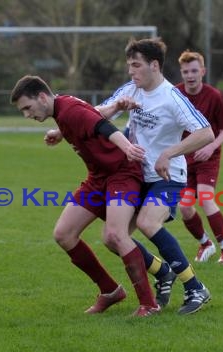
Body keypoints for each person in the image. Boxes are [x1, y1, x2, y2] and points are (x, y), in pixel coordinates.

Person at [9, 75, 160, 317]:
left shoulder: (69, 110)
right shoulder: (63, 111)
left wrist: (127, 148)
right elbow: (95, 114)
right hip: (98, 178)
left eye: (27, 108)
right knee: (64, 234)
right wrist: (60, 132)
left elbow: (104, 127)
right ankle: (110, 291)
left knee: (115, 235)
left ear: (42, 97)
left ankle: (149, 304)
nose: (27, 115)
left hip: (122, 174)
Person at [97, 38, 215, 314]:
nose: (131, 71)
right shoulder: (131, 90)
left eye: (136, 65)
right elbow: (96, 114)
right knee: (112, 237)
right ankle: (162, 272)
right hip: (137, 176)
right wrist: (115, 109)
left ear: (154, 65)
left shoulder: (172, 98)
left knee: (148, 222)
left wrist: (169, 153)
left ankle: (195, 287)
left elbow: (206, 133)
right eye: (128, 66)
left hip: (168, 176)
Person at [175, 50, 223, 264]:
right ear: (181, 73)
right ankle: (205, 244)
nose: (190, 75)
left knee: (205, 197)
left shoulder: (214, 96)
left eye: (194, 70)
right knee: (184, 206)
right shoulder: (175, 94)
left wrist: (211, 147)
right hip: (184, 159)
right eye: (186, 72)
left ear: (203, 71)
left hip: (208, 158)